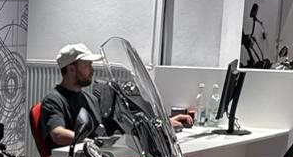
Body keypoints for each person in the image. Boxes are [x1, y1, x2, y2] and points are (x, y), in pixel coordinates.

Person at [41, 43, 193, 148]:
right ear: (71, 69)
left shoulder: (90, 99)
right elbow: (57, 134)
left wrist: (165, 123)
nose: (92, 70)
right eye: (87, 65)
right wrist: (91, 142)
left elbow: (125, 124)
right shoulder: (54, 99)